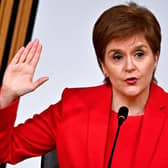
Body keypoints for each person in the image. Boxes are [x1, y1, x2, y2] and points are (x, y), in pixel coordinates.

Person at [0, 2, 168, 168]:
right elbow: (6, 150)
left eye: (139, 54)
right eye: (117, 57)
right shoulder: (72, 106)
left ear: (155, 58)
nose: (130, 66)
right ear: (103, 66)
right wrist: (7, 96)